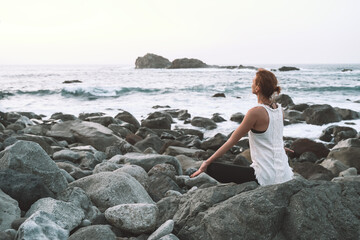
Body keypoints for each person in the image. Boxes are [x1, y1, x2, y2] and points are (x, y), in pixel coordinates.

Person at [190, 69, 294, 186]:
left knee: (212, 168)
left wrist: (206, 162)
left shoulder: (255, 112)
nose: (251, 84)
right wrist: (279, 147)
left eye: (253, 82)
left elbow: (232, 141)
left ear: (258, 87)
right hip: (285, 175)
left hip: (265, 177)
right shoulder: (279, 109)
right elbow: (274, 133)